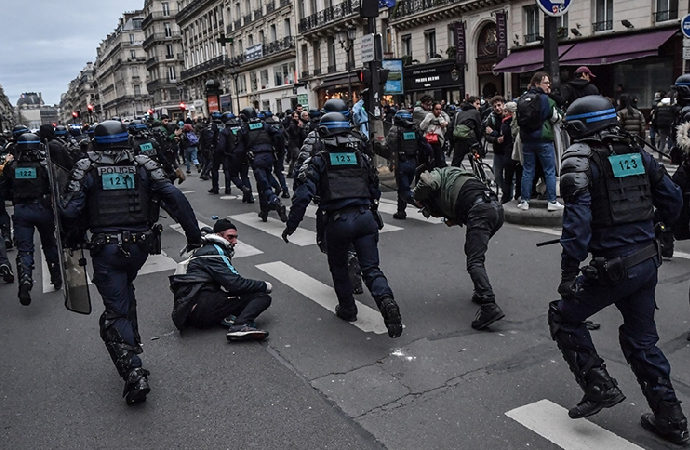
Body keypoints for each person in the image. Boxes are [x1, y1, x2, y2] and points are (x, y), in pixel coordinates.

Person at [552, 95, 688, 445]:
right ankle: (670, 418)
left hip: (613, 268)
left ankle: (598, 386)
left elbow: (577, 223)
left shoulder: (580, 158)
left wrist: (569, 273)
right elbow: (672, 199)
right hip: (646, 260)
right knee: (642, 341)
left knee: (563, 316)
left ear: (578, 128)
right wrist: (652, 228)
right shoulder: (638, 153)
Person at [60, 120, 201, 405]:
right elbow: (173, 197)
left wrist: (71, 235)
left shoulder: (86, 167)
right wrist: (193, 235)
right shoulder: (143, 164)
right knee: (126, 290)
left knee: (114, 311)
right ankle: (133, 341)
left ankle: (133, 370)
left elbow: (71, 211)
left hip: (106, 249)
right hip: (140, 247)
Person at [281, 112, 403, 338]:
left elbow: (301, 197)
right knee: (372, 269)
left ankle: (348, 308)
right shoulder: (362, 158)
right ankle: (386, 301)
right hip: (365, 217)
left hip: (337, 220)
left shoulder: (318, 160)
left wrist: (291, 226)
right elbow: (375, 188)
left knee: (339, 268)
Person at [413, 166, 505, 330]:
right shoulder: (457, 176)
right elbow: (463, 199)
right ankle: (480, 290)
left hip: (481, 211)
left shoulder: (437, 174)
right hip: (496, 208)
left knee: (474, 260)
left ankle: (489, 305)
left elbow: (427, 181)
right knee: (473, 252)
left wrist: (417, 196)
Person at [170, 219, 272, 340]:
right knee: (261, 297)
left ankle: (226, 317)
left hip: (191, 309)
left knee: (236, 295)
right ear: (219, 235)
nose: (235, 241)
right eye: (230, 237)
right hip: (201, 308)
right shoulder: (215, 252)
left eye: (235, 237)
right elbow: (235, 284)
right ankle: (240, 326)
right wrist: (265, 286)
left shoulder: (206, 249)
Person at [0, 133, 62, 305]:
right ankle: (56, 275)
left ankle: (26, 279)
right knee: (49, 243)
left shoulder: (11, 166)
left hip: (21, 210)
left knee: (25, 249)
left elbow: (4, 191)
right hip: (43, 209)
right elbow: (55, 188)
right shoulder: (44, 165)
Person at [516, 71, 564, 212]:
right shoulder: (545, 99)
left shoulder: (522, 98)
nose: (548, 85)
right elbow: (555, 117)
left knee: (528, 170)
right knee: (549, 170)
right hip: (543, 137)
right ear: (537, 83)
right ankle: (552, 201)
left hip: (526, 139)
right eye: (546, 82)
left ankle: (524, 201)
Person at [239, 107, 287, 222]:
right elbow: (279, 135)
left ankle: (275, 201)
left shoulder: (244, 129)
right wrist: (277, 150)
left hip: (256, 158)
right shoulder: (265, 125)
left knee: (263, 183)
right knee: (265, 179)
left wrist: (242, 160)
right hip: (269, 156)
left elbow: (240, 148)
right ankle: (264, 210)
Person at [386, 110, 431, 219]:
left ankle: (424, 205)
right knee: (403, 188)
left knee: (405, 190)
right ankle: (401, 212)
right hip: (413, 163)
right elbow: (426, 146)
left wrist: (391, 163)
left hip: (401, 163)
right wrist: (429, 159)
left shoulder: (395, 130)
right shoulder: (415, 130)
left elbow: (389, 146)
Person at [216, 112, 254, 203]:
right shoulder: (242, 129)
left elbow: (221, 146)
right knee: (245, 176)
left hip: (232, 156)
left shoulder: (224, 131)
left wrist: (224, 154)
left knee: (233, 175)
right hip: (244, 155)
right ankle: (250, 196)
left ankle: (243, 188)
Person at [450, 97, 482, 167]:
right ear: (471, 103)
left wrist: (452, 144)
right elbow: (478, 129)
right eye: (477, 104)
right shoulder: (476, 113)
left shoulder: (458, 113)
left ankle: (453, 176)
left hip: (459, 140)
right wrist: (479, 143)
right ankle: (481, 176)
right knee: (476, 162)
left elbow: (451, 128)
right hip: (471, 140)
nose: (479, 106)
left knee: (456, 163)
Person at [420, 101, 450, 168]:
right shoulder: (429, 116)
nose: (438, 111)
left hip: (438, 141)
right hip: (429, 140)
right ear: (433, 109)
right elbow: (422, 126)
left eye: (440, 109)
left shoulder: (441, 117)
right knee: (432, 159)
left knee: (438, 159)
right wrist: (428, 121)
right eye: (436, 109)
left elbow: (444, 130)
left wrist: (444, 125)